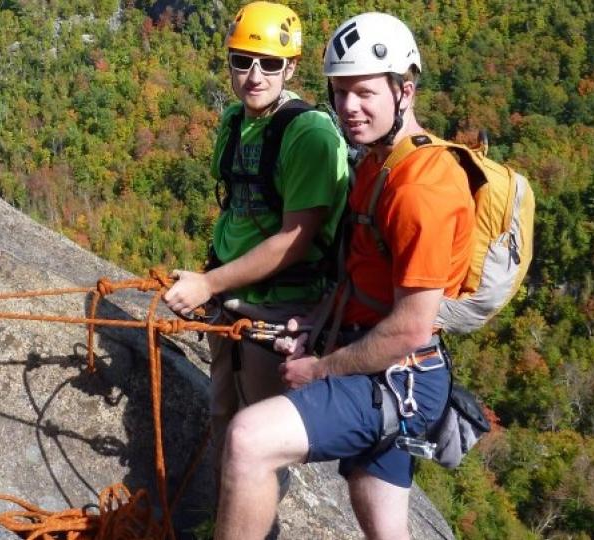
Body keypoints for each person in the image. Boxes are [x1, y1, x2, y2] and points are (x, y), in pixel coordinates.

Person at [211, 12, 475, 540]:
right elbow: (357, 276)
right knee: (384, 527)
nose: (349, 107)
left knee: (249, 439)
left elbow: (411, 327)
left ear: (405, 91)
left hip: (398, 374)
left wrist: (320, 369)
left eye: (365, 93)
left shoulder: (422, 188)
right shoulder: (378, 164)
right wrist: (314, 324)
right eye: (340, 92)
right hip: (385, 364)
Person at [163, 0, 349, 497]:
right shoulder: (234, 120)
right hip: (231, 300)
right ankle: (218, 520)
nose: (254, 75)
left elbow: (295, 240)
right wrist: (214, 282)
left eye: (269, 63)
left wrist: (208, 283)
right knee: (223, 416)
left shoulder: (309, 134)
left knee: (258, 444)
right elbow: (238, 212)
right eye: (242, 61)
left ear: (291, 68)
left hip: (280, 308)